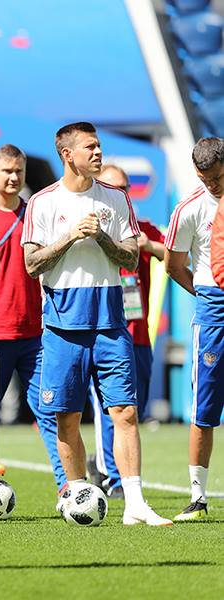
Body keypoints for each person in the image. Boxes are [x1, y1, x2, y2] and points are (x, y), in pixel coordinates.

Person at [22, 121, 170, 526]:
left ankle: (135, 503)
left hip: (110, 323)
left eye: (99, 145)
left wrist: (102, 236)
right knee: (66, 417)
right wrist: (71, 237)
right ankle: (77, 495)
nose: (98, 152)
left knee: (125, 412)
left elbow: (131, 259)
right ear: (67, 154)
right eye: (90, 147)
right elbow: (32, 264)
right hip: (62, 326)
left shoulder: (116, 198)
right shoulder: (42, 202)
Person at [0, 144, 67, 496]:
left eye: (19, 171)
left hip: (34, 334)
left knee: (50, 410)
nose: (14, 178)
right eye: (7, 171)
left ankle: (67, 485)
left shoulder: (34, 214)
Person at [87, 164, 165, 498]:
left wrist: (148, 246)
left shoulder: (142, 228)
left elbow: (175, 256)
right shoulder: (90, 230)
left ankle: (101, 464)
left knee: (135, 408)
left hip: (138, 335)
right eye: (112, 187)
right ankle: (114, 478)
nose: (119, 194)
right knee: (112, 409)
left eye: (124, 188)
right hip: (105, 334)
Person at [174, 137, 224, 521]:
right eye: (206, 179)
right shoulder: (189, 208)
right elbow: (175, 264)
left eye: (218, 178)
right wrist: (204, 294)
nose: (213, 185)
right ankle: (198, 497)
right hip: (212, 307)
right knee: (204, 406)